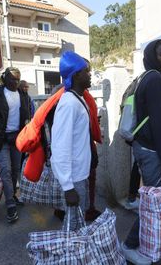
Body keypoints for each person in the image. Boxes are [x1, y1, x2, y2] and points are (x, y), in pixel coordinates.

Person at [120, 39, 161, 265]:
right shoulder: (156, 80)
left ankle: (146, 240)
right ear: (153, 56)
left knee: (152, 198)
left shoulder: (145, 77)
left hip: (142, 145)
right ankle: (129, 245)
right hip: (151, 149)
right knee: (154, 201)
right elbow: (160, 123)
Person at [0, 67, 31, 223]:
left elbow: (27, 117)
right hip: (1, 138)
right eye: (12, 79)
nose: (16, 82)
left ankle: (13, 195)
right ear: (4, 78)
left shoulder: (23, 95)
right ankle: (10, 204)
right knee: (6, 170)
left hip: (17, 139)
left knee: (16, 170)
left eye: (18, 79)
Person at [50, 51, 93, 230]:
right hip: (73, 178)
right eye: (86, 71)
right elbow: (60, 147)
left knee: (77, 222)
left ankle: (76, 255)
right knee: (73, 226)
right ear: (76, 75)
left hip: (79, 174)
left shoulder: (78, 98)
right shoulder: (68, 103)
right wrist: (68, 187)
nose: (90, 75)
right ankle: (70, 257)